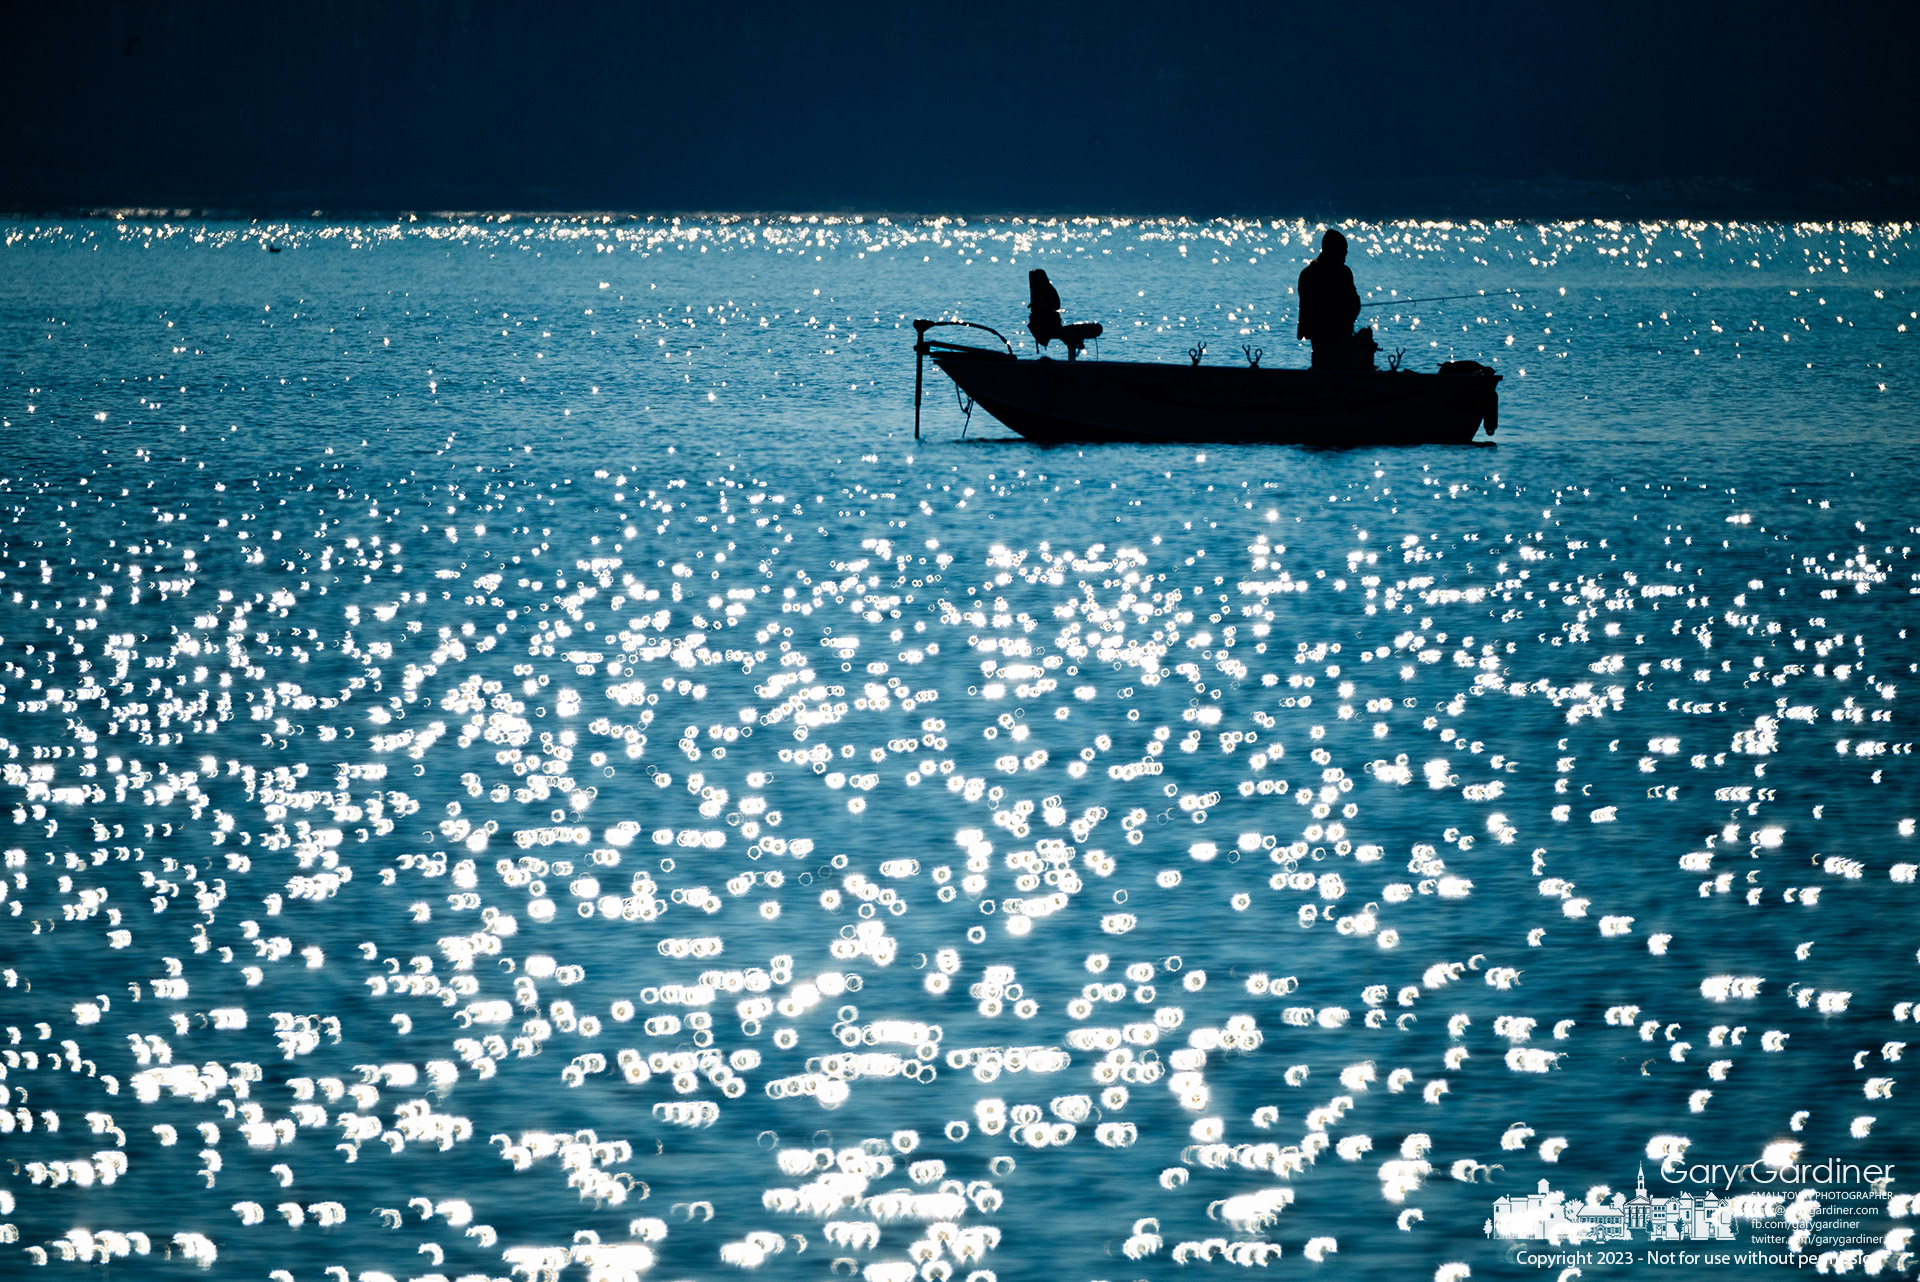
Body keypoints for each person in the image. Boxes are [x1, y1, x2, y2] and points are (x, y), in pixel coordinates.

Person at [1296, 229, 1362, 369]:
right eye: (1343, 251)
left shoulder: (1307, 273)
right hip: (1339, 337)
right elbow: (1355, 304)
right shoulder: (1343, 273)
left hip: (1317, 337)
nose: (1345, 256)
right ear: (1335, 250)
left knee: (1320, 367)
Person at [1027, 269, 1103, 360]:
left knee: (1073, 334)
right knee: (1070, 335)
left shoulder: (1044, 291)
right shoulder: (1047, 290)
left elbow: (1048, 310)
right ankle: (1071, 361)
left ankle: (1071, 360)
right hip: (1049, 327)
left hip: (1049, 327)